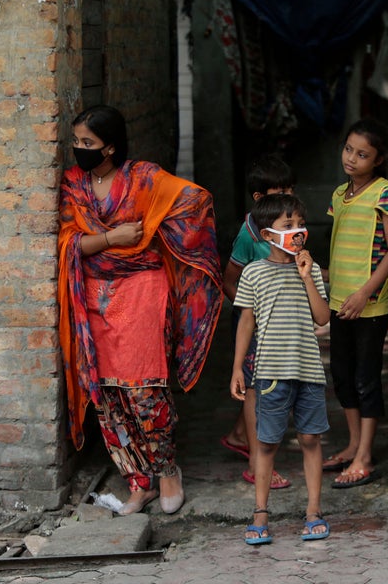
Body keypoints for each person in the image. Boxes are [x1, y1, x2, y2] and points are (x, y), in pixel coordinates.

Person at [57, 105, 222, 516]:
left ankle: (167, 472)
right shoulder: (74, 185)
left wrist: (154, 234)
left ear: (110, 148)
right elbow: (70, 243)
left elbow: (194, 202)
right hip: (93, 296)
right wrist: (111, 237)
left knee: (145, 389)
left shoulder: (143, 178)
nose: (79, 149)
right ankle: (138, 481)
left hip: (144, 289)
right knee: (108, 395)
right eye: (76, 141)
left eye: (88, 143)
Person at [230, 193, 331, 545]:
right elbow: (246, 322)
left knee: (310, 439)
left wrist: (306, 276)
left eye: (300, 224)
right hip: (270, 373)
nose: (298, 231)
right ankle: (260, 514)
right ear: (267, 236)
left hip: (308, 372)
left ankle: (314, 512)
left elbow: (322, 318)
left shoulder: (311, 270)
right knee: (267, 443)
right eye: (288, 226)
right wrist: (237, 369)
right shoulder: (254, 273)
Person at [323, 119, 388, 488]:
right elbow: (341, 246)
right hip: (341, 301)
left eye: (362, 154)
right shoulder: (340, 195)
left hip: (368, 305)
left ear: (379, 159)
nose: (352, 158)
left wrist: (364, 292)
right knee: (342, 377)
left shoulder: (385, 193)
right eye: (348, 149)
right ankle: (353, 444)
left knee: (366, 379)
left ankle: (366, 456)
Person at [220, 156, 296, 490]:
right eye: (279, 193)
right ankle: (255, 463)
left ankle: (240, 435)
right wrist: (252, 308)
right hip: (252, 323)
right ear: (258, 198)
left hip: (274, 320)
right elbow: (229, 280)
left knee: (261, 384)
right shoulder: (249, 235)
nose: (287, 198)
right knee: (255, 389)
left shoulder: (287, 224)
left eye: (290, 191)